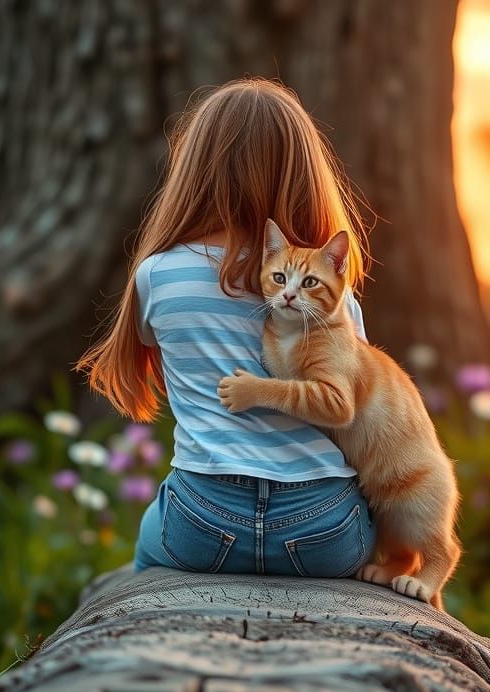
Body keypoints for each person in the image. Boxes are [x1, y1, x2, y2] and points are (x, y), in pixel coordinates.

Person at [78, 77, 375, 577]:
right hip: (323, 526)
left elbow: (150, 351)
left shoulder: (157, 275)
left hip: (202, 520)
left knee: (145, 550)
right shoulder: (329, 298)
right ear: (306, 174)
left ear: (195, 169)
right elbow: (361, 402)